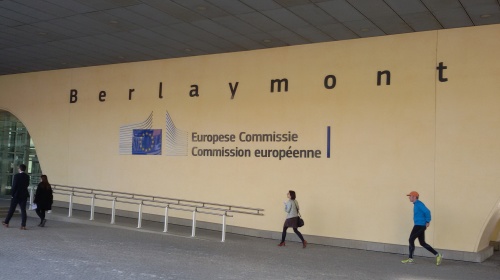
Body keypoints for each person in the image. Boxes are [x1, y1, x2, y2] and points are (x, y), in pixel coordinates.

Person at [401, 191, 443, 265]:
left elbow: (427, 211)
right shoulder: (416, 204)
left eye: (410, 196)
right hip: (418, 225)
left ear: (414, 197)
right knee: (422, 243)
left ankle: (410, 259)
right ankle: (437, 255)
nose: (409, 198)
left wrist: (427, 221)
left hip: (420, 225)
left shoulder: (419, 204)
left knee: (411, 239)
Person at [2, 164, 30, 230]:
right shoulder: (27, 176)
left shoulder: (16, 176)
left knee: (12, 209)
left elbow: (14, 186)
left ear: (20, 169)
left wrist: (12, 194)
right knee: (23, 210)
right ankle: (23, 225)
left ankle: (6, 222)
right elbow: (27, 185)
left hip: (16, 195)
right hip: (24, 195)